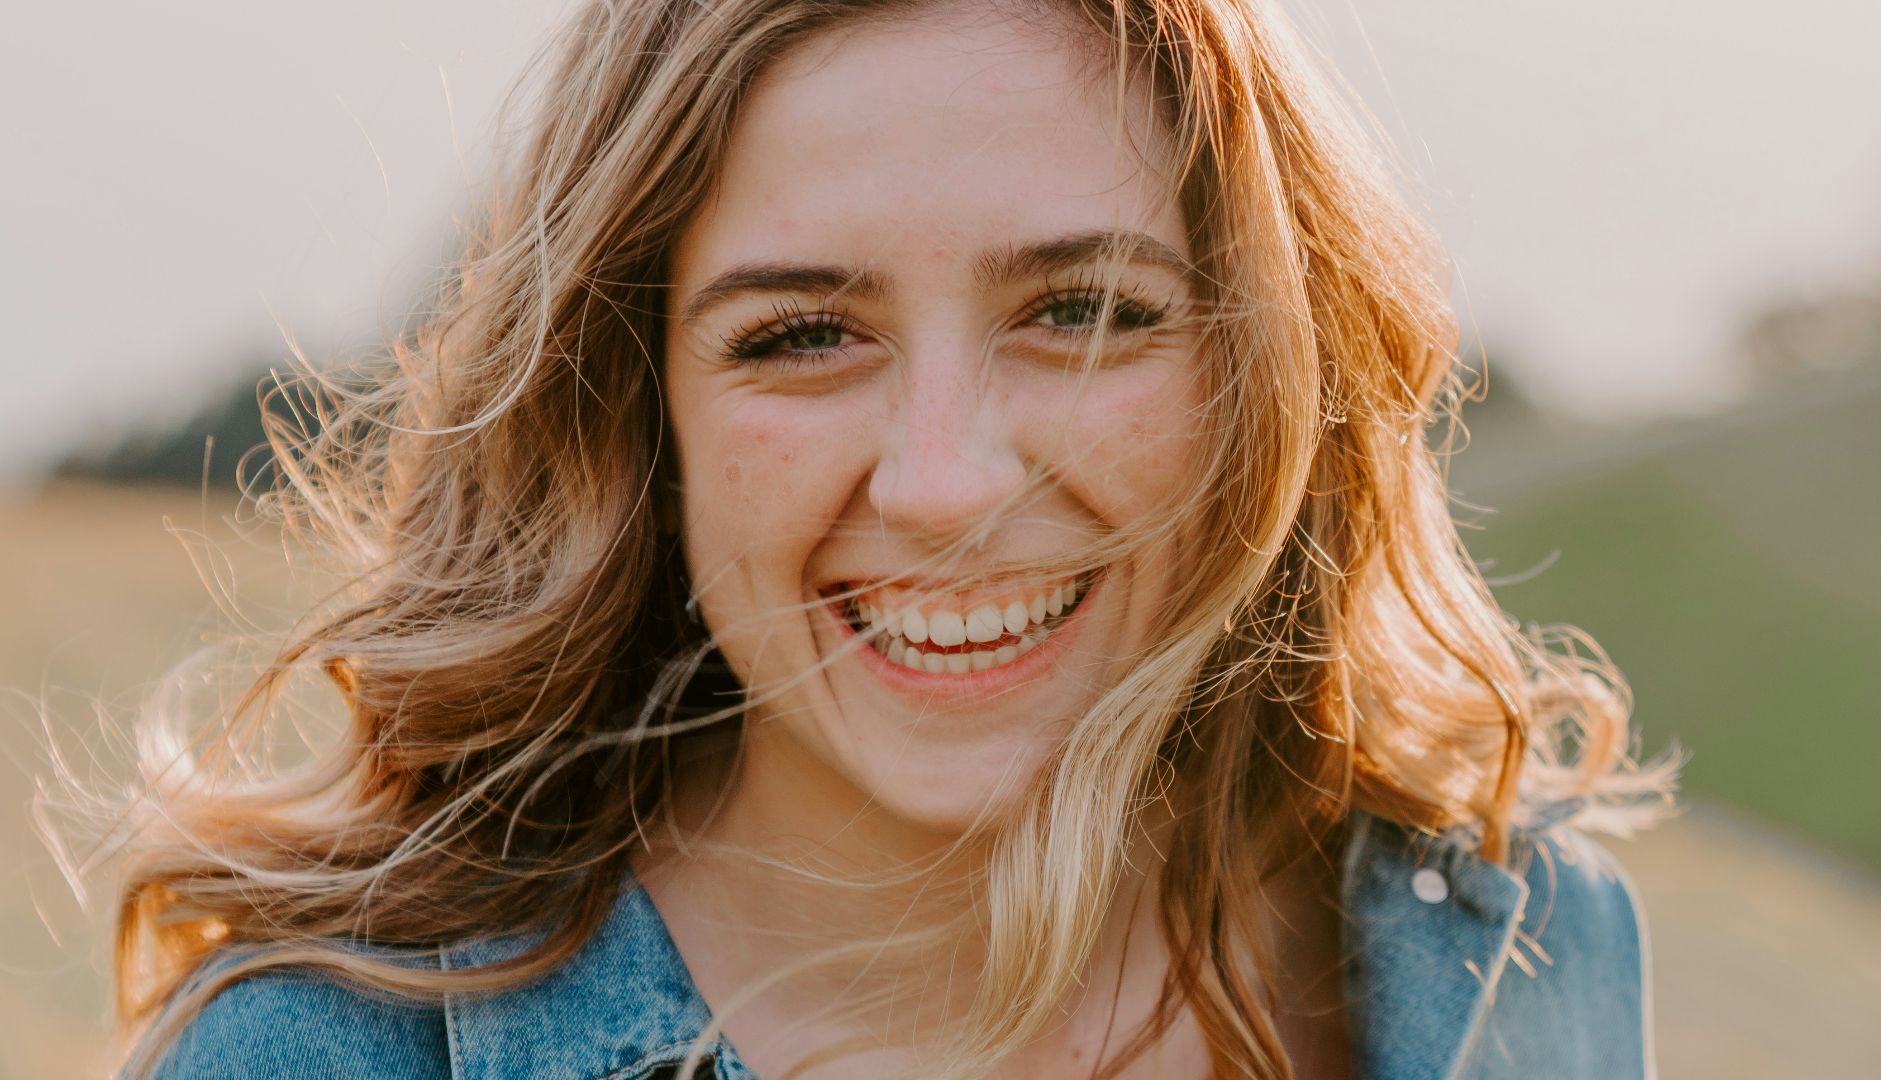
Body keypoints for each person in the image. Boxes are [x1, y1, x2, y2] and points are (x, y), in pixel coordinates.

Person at [96, 0, 1677, 1076]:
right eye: (799, 336)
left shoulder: (1510, 947)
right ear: (642, 414)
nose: (940, 481)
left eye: (1082, 311)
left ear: (1264, 364)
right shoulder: (329, 1055)